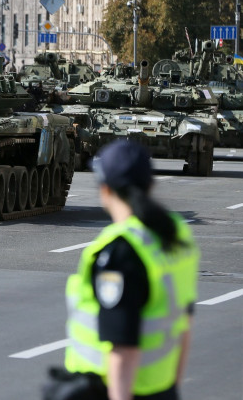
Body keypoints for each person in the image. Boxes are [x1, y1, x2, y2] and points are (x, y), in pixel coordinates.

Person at [47, 140, 200, 400]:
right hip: (160, 389)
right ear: (150, 185)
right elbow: (183, 328)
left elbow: (124, 348)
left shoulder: (121, 251)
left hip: (113, 389)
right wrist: (172, 390)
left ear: (105, 190)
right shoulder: (174, 234)